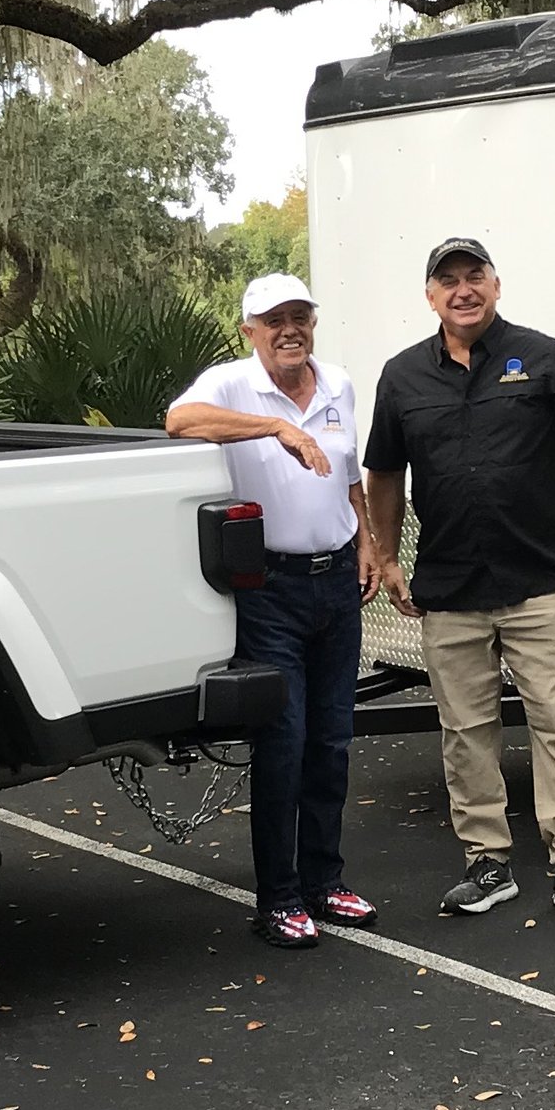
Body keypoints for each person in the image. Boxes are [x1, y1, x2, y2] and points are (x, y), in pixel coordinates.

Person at [362, 237, 555, 924]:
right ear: (430, 297)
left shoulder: (543, 358)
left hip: (540, 583)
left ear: (495, 284)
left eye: (473, 275)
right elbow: (384, 471)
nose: (462, 289)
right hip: (450, 590)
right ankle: (488, 864)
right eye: (447, 280)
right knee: (465, 732)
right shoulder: (403, 377)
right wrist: (386, 555)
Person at [166, 275, 377, 953]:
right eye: (274, 319)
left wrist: (368, 539)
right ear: (249, 330)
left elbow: (348, 476)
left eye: (300, 317)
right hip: (272, 590)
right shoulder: (231, 385)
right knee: (283, 744)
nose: (290, 329)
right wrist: (276, 425)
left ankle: (324, 881)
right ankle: (279, 897)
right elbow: (178, 421)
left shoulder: (338, 383)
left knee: (332, 741)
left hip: (337, 580)